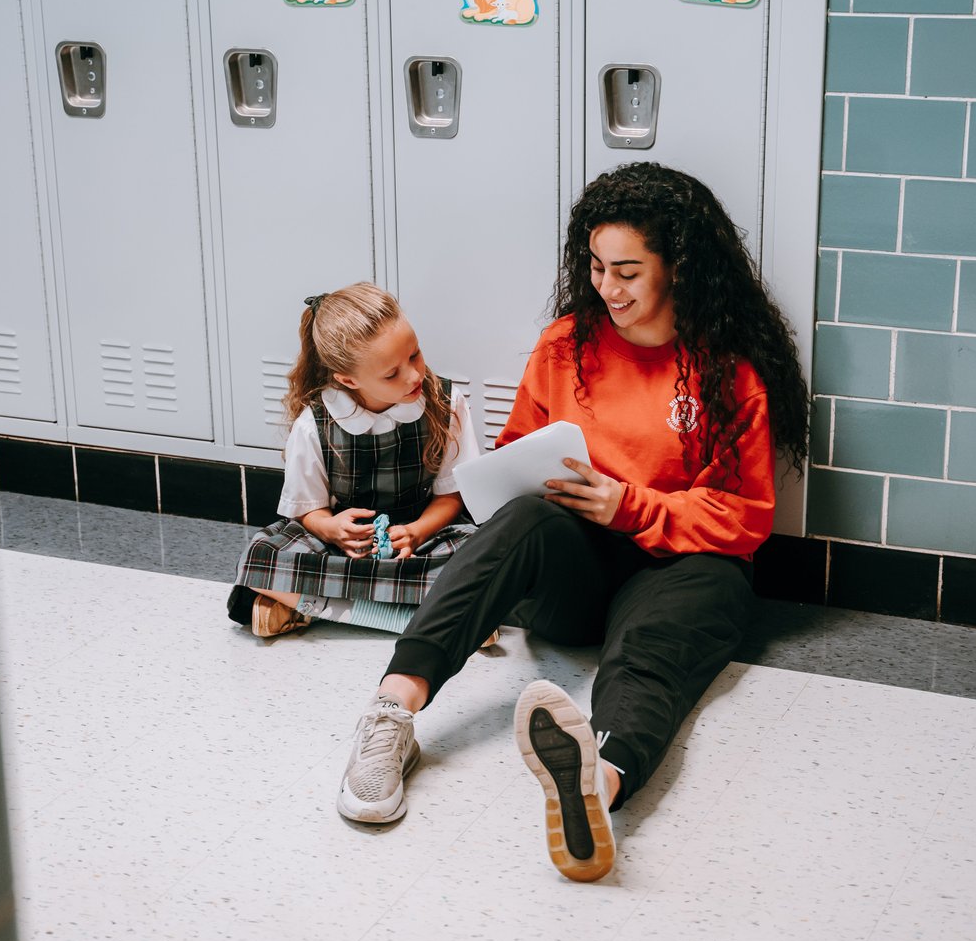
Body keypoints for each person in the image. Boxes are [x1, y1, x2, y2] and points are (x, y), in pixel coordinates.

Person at [333, 163, 811, 884]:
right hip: (579, 566)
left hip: (685, 566)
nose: (607, 288)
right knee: (524, 518)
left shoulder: (726, 371)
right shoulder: (568, 345)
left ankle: (599, 781)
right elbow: (519, 457)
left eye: (627, 270)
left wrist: (633, 505)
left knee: (652, 646)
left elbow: (743, 516)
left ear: (676, 268)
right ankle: (390, 714)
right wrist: (498, 539)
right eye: (595, 267)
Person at [226, 282, 487, 640]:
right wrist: (331, 529)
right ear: (348, 379)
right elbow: (308, 510)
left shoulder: (445, 402)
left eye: (415, 355)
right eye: (391, 373)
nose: (413, 375)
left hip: (423, 535)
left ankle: (305, 606)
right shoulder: (314, 423)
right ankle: (420, 617)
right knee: (261, 556)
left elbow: (451, 497)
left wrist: (417, 531)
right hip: (346, 547)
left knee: (484, 553)